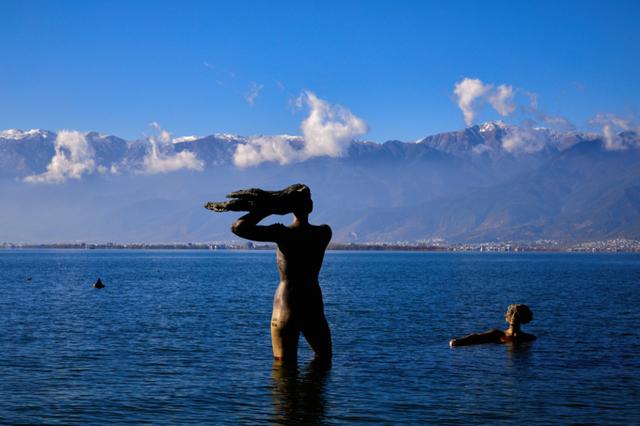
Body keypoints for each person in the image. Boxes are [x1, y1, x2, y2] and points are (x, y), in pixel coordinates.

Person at [205, 184, 332, 364]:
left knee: (283, 370)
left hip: (286, 305)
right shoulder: (323, 233)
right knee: (324, 362)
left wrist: (267, 209)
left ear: (289, 209)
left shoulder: (282, 234)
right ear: (310, 207)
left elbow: (238, 227)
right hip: (312, 306)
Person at [449, 304, 536, 347]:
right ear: (508, 317)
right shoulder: (497, 334)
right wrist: (458, 341)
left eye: (517, 314)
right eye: (512, 313)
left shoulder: (529, 338)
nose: (514, 317)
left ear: (523, 318)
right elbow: (475, 337)